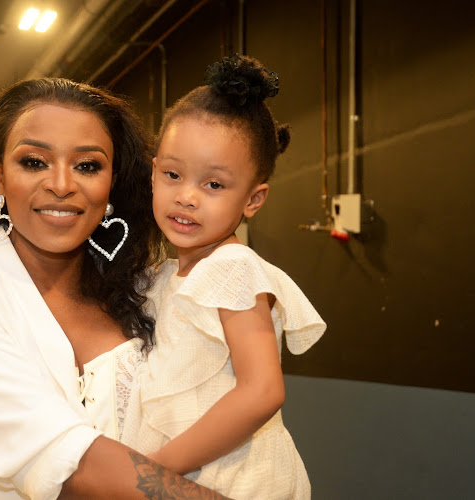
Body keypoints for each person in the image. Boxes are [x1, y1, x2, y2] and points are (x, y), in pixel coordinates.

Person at [0, 78, 227, 499]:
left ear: (112, 184)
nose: (61, 184)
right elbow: (55, 458)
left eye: (87, 166)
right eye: (33, 162)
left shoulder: (154, 292)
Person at [120, 54, 327, 499]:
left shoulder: (232, 268)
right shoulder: (165, 275)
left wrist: (149, 472)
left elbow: (262, 391)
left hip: (236, 480)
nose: (187, 196)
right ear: (153, 174)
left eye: (214, 184)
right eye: (173, 174)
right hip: (190, 477)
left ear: (253, 199)